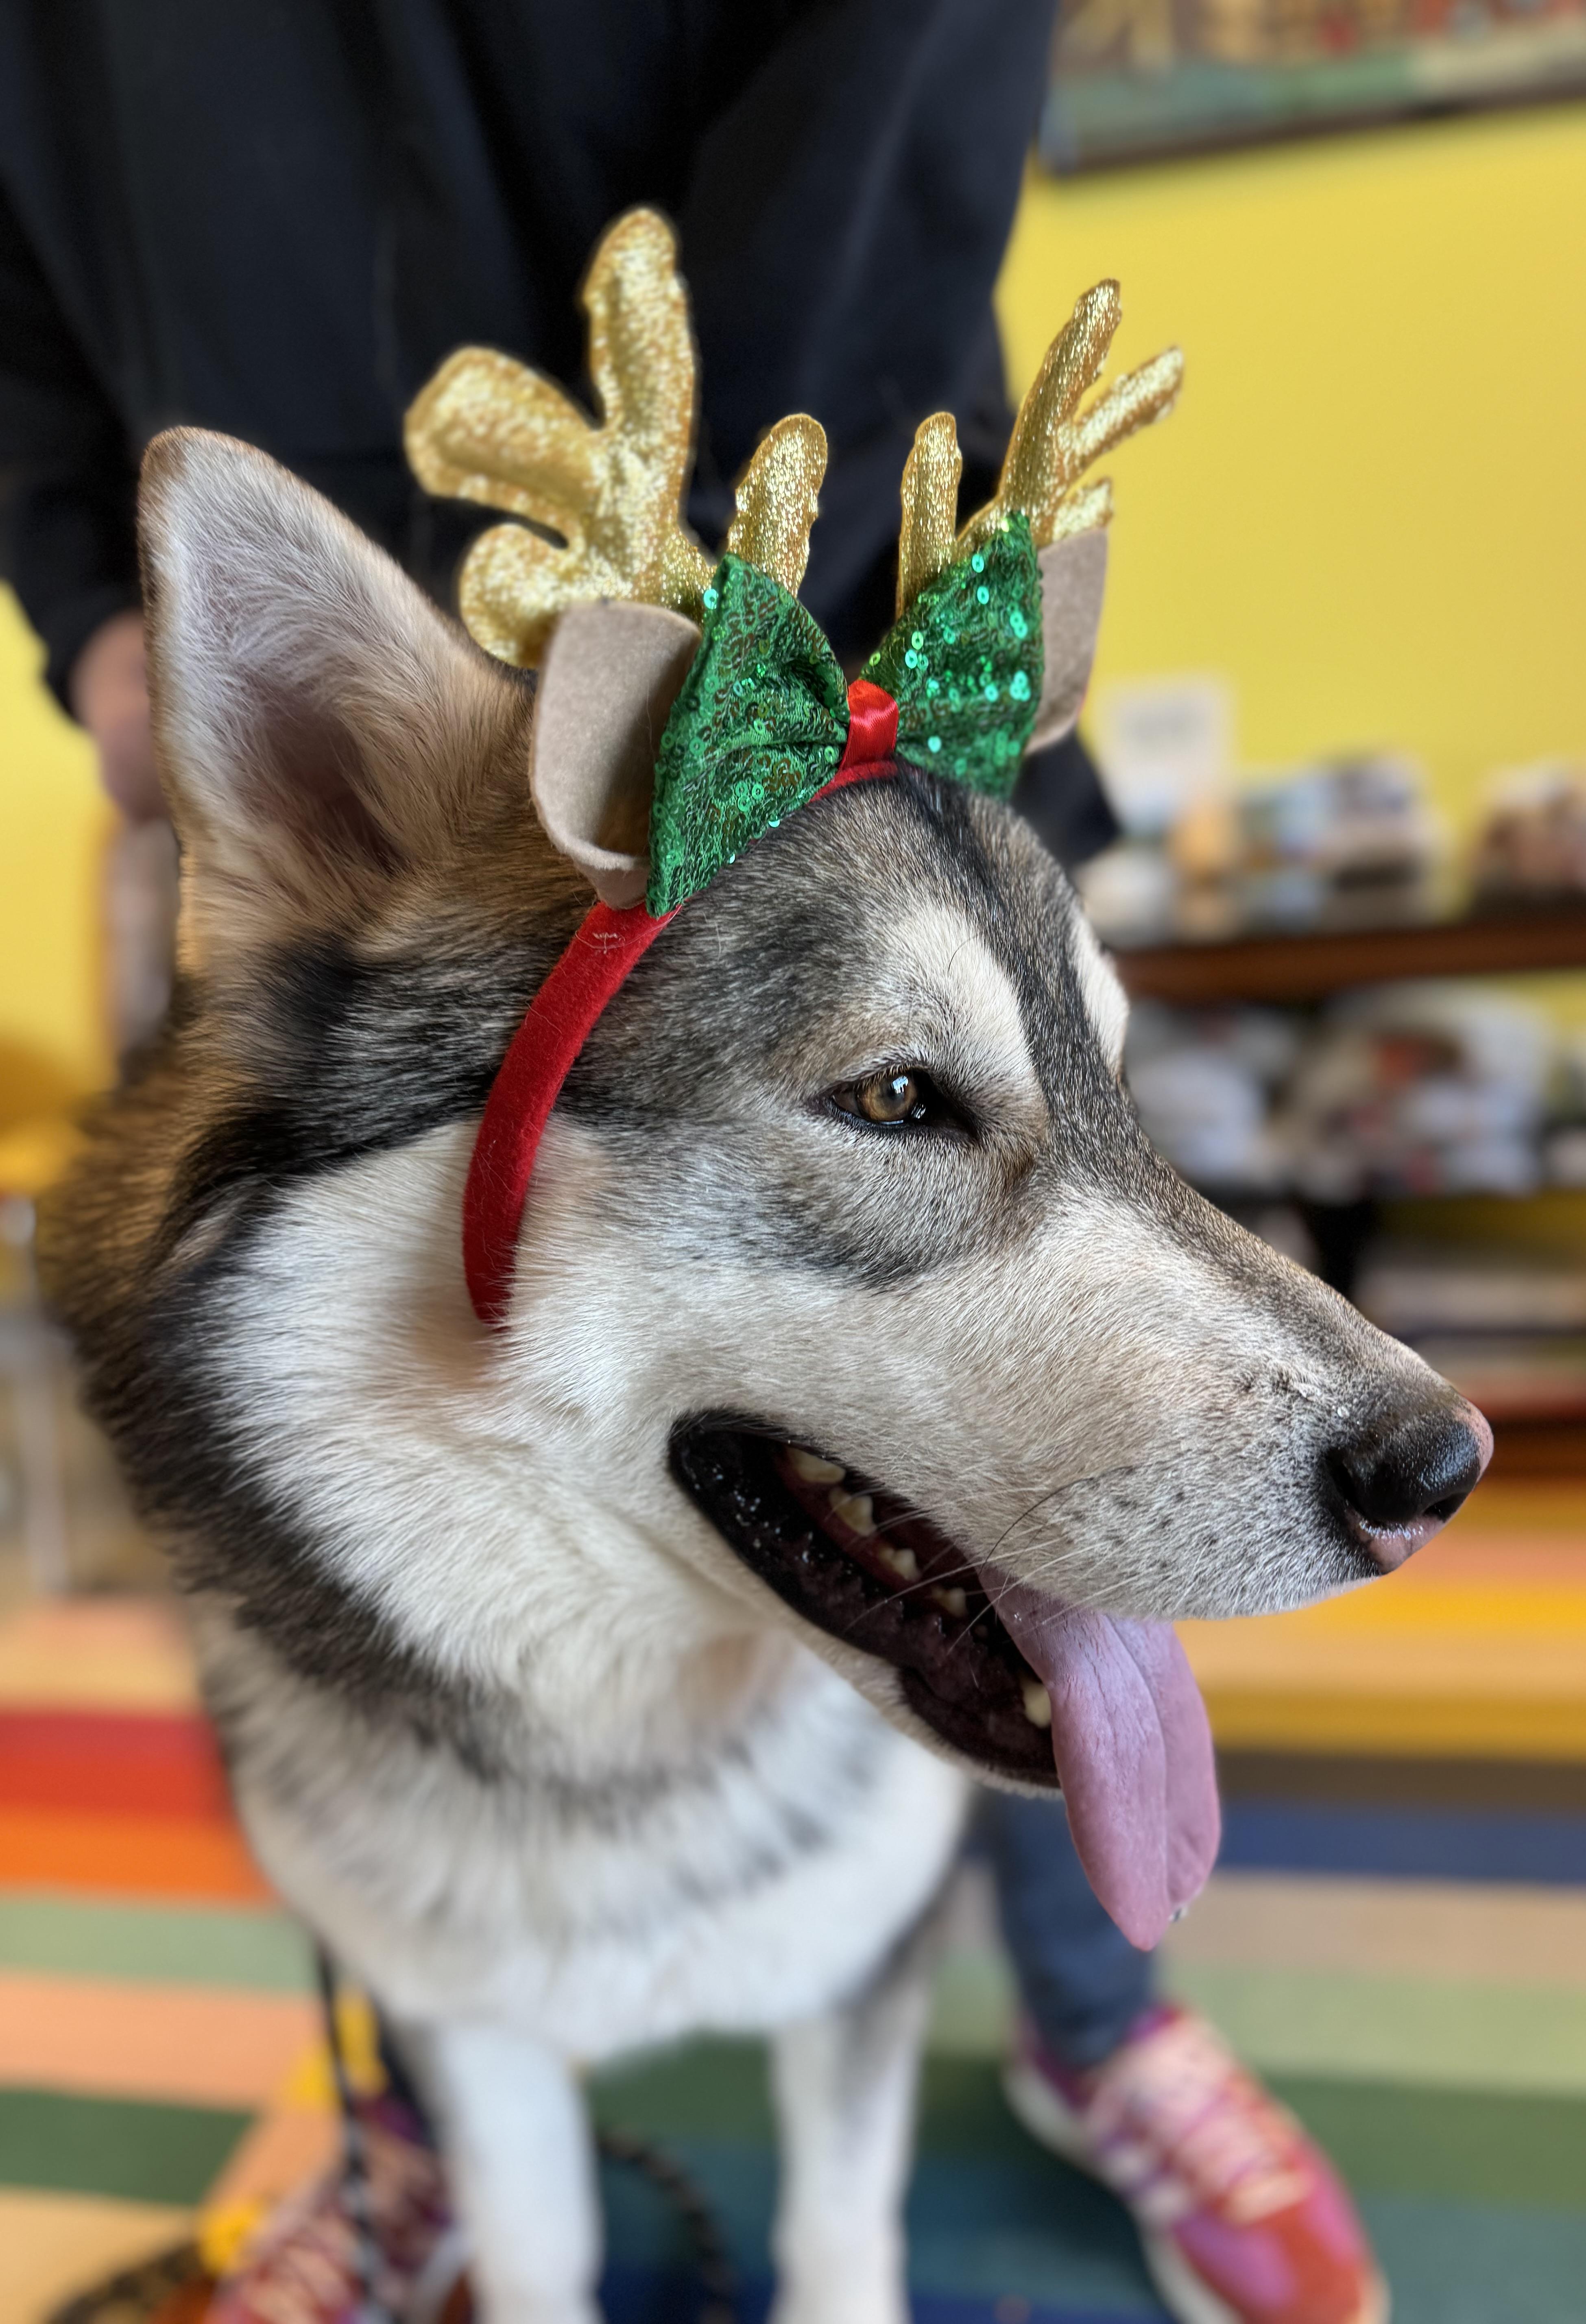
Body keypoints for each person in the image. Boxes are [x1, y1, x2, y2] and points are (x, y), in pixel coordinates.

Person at [0, 9, 1380, 2318]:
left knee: (1003, 1569)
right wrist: (93, 600)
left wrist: (738, 630)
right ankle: (444, 2145)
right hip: (322, 717)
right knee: (433, 1558)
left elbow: (907, 71)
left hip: (795, 652)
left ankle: (1097, 2025)